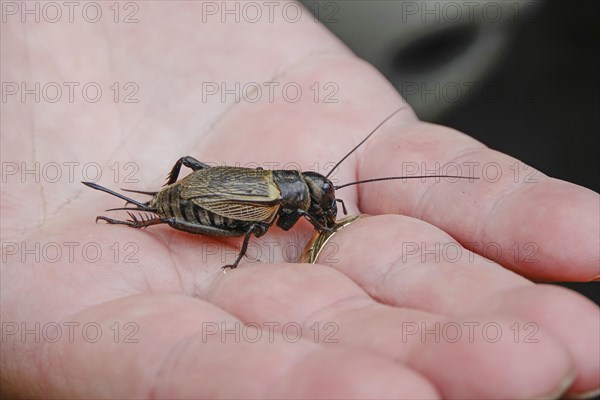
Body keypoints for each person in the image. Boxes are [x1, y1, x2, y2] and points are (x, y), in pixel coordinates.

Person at [1, 2, 598, 398]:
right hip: (206, 203)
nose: (317, 207)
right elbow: (243, 221)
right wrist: (177, 217)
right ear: (295, 195)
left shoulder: (285, 191)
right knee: (240, 231)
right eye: (315, 200)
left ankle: (159, 208)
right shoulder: (267, 208)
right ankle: (155, 215)